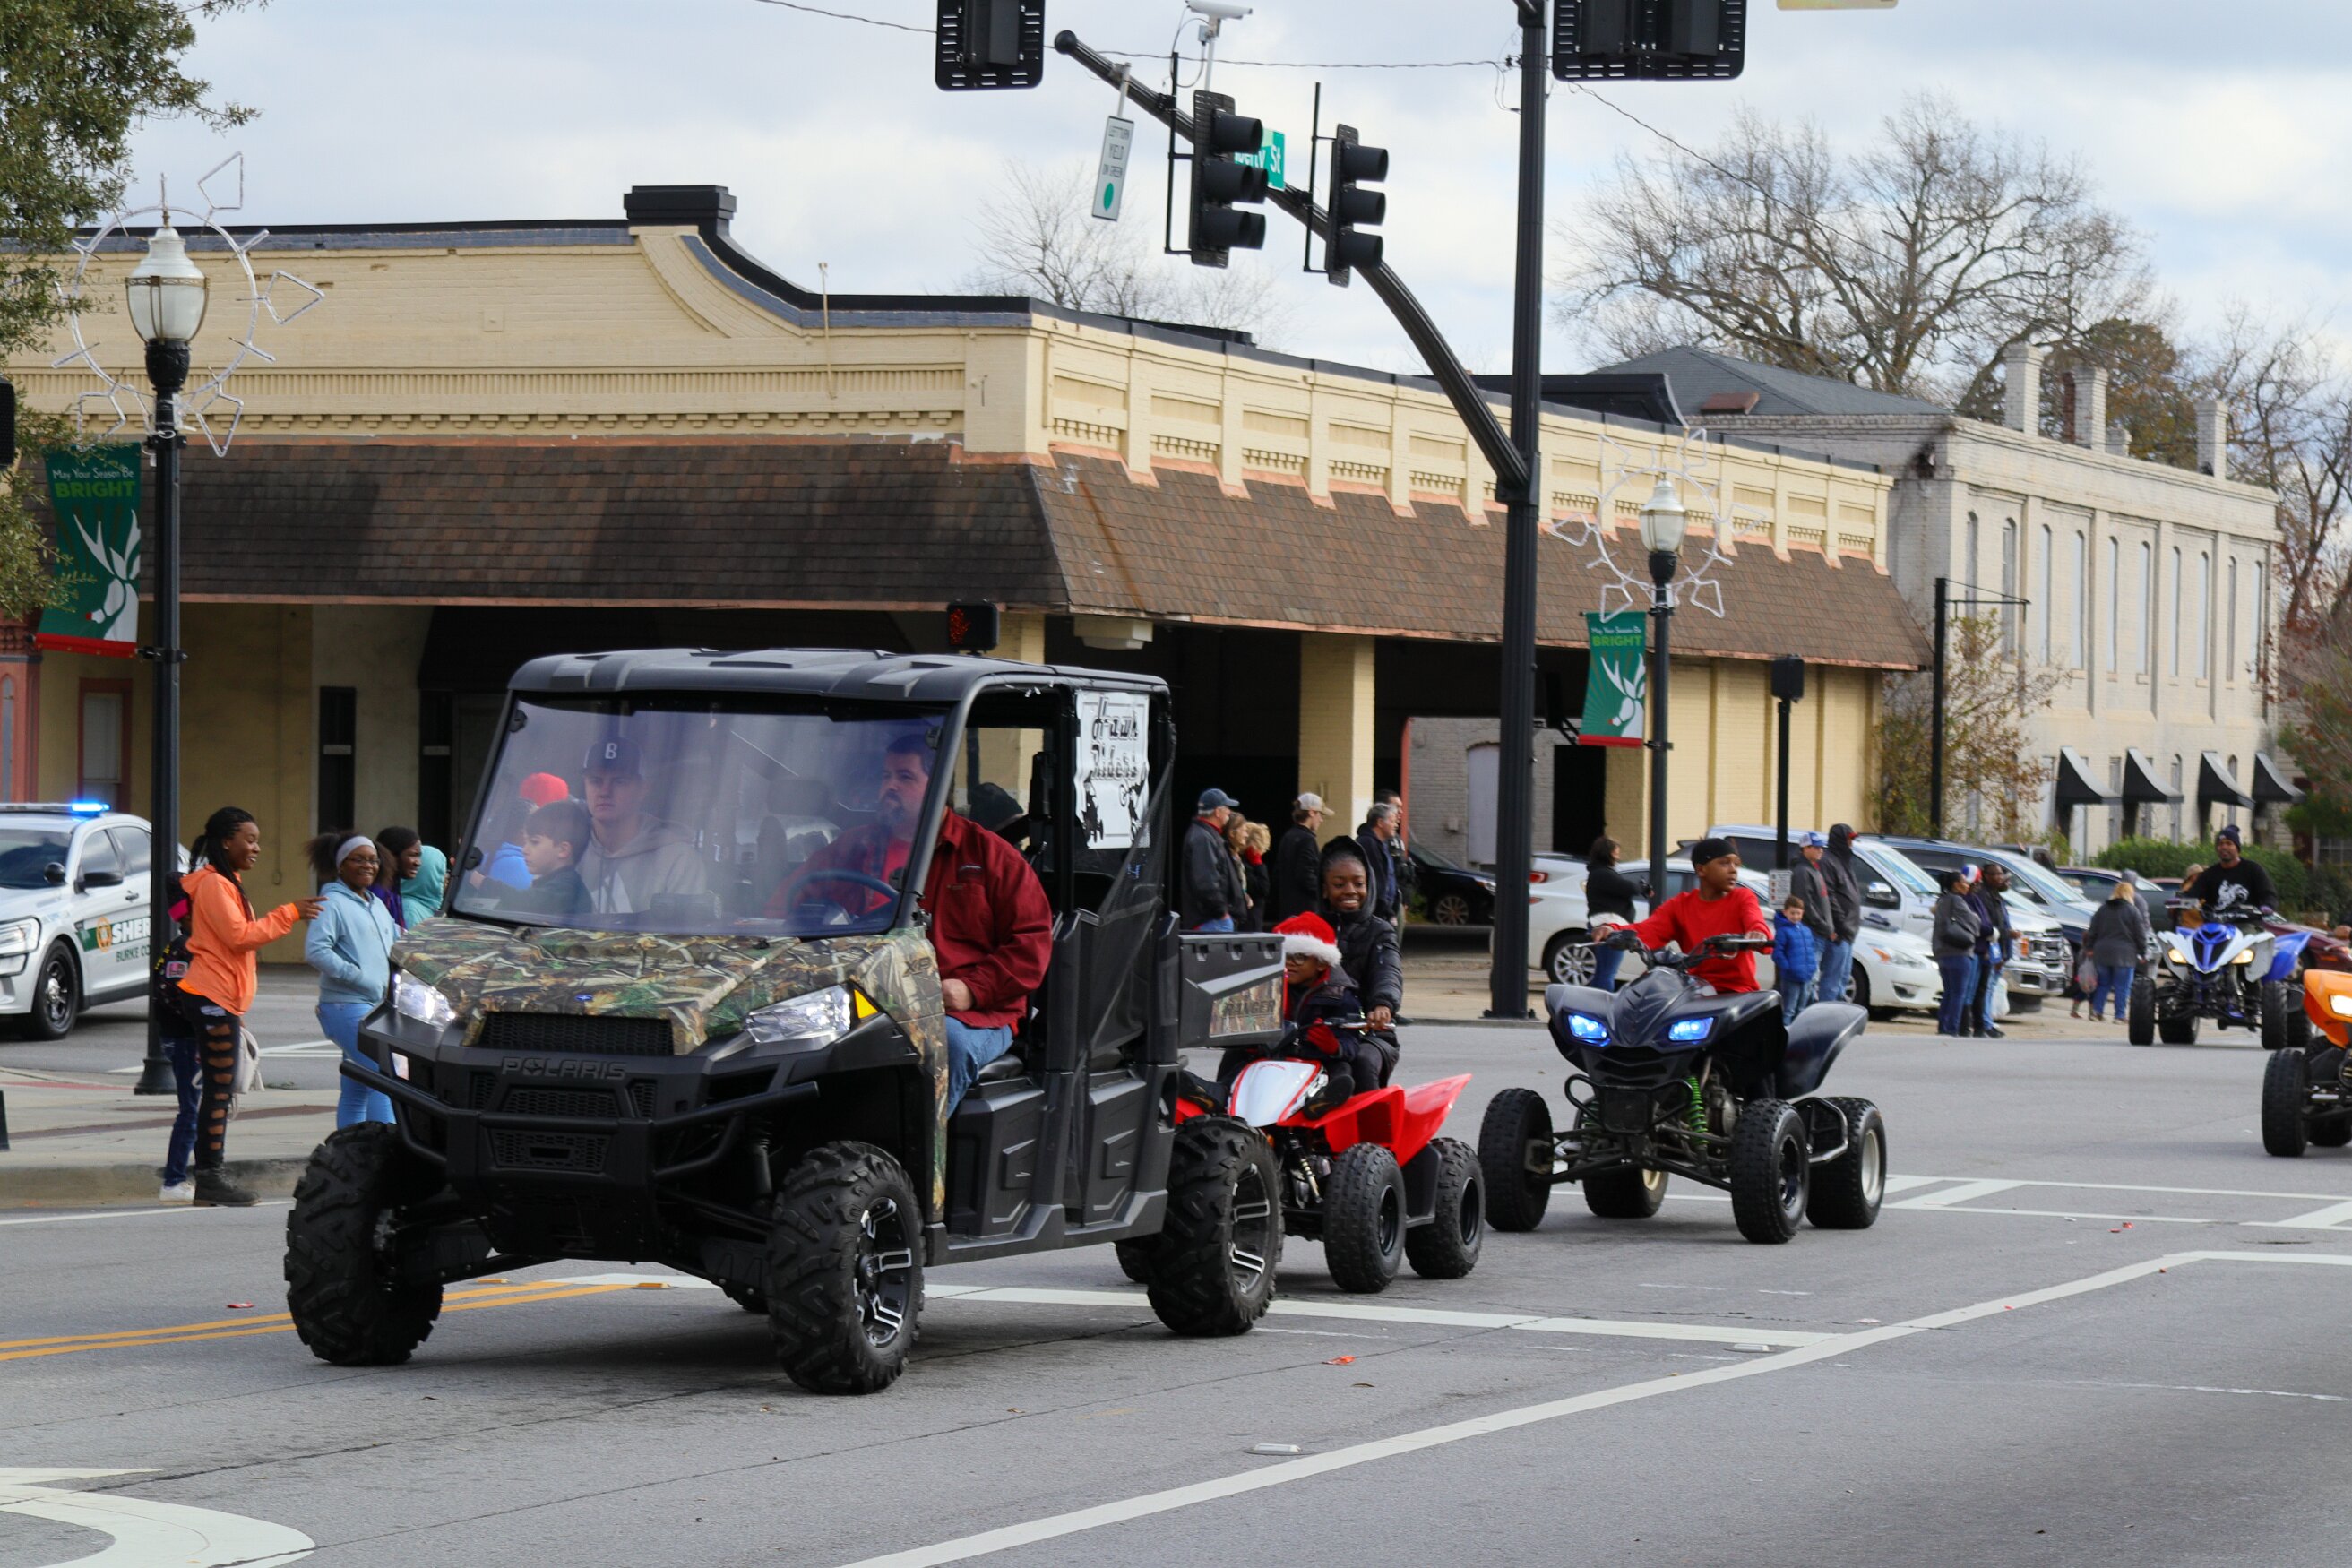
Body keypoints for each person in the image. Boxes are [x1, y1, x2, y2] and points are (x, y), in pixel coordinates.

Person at [774, 732, 1051, 1112]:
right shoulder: (854, 848)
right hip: (865, 1004)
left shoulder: (991, 856)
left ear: (938, 786)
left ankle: (923, 1150)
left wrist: (972, 989)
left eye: (904, 777)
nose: (890, 786)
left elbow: (1031, 944)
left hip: (966, 1014)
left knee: (944, 1046)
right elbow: (785, 902)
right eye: (886, 776)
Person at [168, 806, 323, 1206]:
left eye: (257, 841)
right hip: (211, 996)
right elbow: (240, 937)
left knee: (221, 1089)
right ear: (226, 842)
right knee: (219, 1090)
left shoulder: (225, 882)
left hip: (220, 997)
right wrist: (289, 912)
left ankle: (210, 1178)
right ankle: (210, 1178)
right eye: (249, 840)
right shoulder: (215, 885)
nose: (256, 848)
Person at [305, 832, 401, 1128]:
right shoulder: (331, 902)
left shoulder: (376, 904)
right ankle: (383, 1148)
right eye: (358, 859)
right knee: (384, 1077)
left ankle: (348, 1149)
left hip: (375, 1008)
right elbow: (316, 950)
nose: (368, 866)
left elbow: (397, 944)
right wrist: (360, 977)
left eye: (373, 860)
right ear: (340, 865)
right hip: (346, 1006)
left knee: (357, 1086)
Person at [1596, 838, 1770, 995]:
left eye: (1736, 864)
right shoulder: (1680, 905)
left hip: (1736, 991)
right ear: (1701, 870)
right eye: (1724, 863)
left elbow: (1754, 920)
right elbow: (1648, 930)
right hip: (1695, 990)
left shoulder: (1742, 897)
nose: (1733, 870)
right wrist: (1612, 929)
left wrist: (1758, 934)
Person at [576, 736, 709, 916]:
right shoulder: (567, 846)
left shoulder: (678, 859)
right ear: (585, 785)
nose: (605, 792)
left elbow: (683, 930)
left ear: (643, 789)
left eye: (619, 781)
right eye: (595, 781)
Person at [1266, 912, 1383, 1115]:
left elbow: (1351, 1043)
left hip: (1319, 1061)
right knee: (1237, 1057)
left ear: (1321, 963)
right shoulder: (1268, 989)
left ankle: (1323, 1100)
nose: (1289, 963)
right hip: (1276, 1058)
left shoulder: (1341, 995)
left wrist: (1334, 1046)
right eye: (1284, 956)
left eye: (1299, 957)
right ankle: (1220, 1094)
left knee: (1344, 1070)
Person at [1318, 840, 1404, 1085]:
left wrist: (1382, 1004)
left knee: (1363, 1063)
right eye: (1339, 884)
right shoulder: (1309, 927)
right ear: (1325, 889)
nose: (1350, 891)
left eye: (1358, 884)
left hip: (1367, 1030)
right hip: (1313, 1029)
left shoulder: (1380, 931)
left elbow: (1388, 971)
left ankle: (1371, 1112)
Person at [2084, 877, 2151, 1023]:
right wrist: (2143, 952)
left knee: (2103, 984)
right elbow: (2140, 934)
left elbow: (2093, 930)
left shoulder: (2103, 909)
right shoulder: (2133, 911)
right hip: (2125, 955)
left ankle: (2097, 1012)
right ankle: (2119, 1016)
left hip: (2102, 952)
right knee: (2122, 987)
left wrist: (2089, 947)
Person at [1179, 788, 1247, 932]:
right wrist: (1222, 913)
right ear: (1217, 812)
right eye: (1226, 808)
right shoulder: (1203, 838)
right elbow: (1206, 882)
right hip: (1213, 921)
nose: (1229, 812)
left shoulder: (1206, 835)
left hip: (1214, 919)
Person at [1581, 836, 1642, 991]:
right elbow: (1629, 888)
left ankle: (1593, 1001)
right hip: (1609, 928)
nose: (1618, 856)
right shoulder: (1603, 874)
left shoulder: (1597, 873)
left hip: (1602, 925)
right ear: (1607, 853)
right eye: (1616, 852)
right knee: (1608, 973)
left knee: (1602, 972)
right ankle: (1605, 1002)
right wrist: (1641, 888)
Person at [516, 798, 590, 918]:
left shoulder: (568, 886)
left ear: (563, 850)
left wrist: (490, 886)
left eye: (534, 842)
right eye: (525, 842)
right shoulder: (552, 881)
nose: (524, 850)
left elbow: (535, 904)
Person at [1933, 869, 1984, 1038]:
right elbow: (1974, 923)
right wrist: (1975, 917)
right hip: (1959, 951)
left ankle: (1943, 1026)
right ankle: (1952, 1028)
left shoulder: (1942, 900)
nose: (1967, 885)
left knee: (1948, 992)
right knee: (1958, 993)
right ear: (1956, 885)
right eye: (1964, 882)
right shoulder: (1957, 900)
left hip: (1942, 952)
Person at [2184, 825, 2277, 918]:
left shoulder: (2253, 869)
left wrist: (2268, 905)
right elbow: (2192, 894)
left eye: (2229, 843)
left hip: (2247, 923)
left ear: (2237, 848)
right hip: (2216, 923)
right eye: (2220, 844)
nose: (2224, 847)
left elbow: (2268, 894)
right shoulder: (2209, 874)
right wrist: (2181, 900)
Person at [1818, 824, 1865, 1004]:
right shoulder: (1827, 862)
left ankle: (1836, 1014)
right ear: (1841, 840)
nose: (1852, 843)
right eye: (1849, 839)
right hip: (1838, 933)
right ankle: (1826, 1017)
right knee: (1832, 982)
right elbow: (1828, 896)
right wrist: (1841, 923)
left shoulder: (1844, 861)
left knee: (1842, 981)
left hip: (1848, 934)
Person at [1972, 863, 2016, 1038]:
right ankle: (1984, 1023)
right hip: (1991, 948)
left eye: (2001, 875)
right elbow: (1990, 926)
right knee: (1987, 988)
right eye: (1996, 875)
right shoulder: (1983, 896)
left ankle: (1987, 1021)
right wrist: (2007, 934)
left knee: (1990, 987)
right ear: (1986, 876)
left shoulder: (1995, 895)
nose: (2001, 878)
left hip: (2000, 949)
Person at [1270, 793, 1327, 924]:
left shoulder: (1287, 837)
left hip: (1287, 911)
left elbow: (1277, 874)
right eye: (1320, 814)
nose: (1321, 820)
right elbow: (1306, 876)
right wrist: (1324, 891)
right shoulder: (1308, 840)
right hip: (1305, 911)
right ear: (1311, 812)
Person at [1788, 831, 1838, 966]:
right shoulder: (1802, 871)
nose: (1821, 850)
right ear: (1805, 848)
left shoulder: (1812, 869)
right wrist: (1825, 927)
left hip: (1819, 932)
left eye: (1821, 847)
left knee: (1815, 973)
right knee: (1810, 973)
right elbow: (1806, 905)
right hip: (1812, 933)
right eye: (1816, 847)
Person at [1772, 895, 1821, 1024]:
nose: (1795, 916)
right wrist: (1787, 968)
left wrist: (1812, 967)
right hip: (1791, 977)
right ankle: (1786, 1030)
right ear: (1785, 912)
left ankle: (1798, 1032)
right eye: (1792, 913)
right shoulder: (1783, 931)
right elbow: (1777, 953)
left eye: (1798, 913)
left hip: (1806, 976)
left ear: (1802, 913)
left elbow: (1811, 951)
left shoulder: (1806, 931)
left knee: (1801, 1009)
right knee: (1789, 1009)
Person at [1356, 801, 1404, 925]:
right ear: (1380, 823)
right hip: (1376, 913)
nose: (1396, 825)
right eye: (1392, 821)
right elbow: (1376, 880)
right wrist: (1385, 910)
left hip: (1385, 910)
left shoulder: (1382, 844)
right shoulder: (1368, 844)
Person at [372, 826, 422, 931]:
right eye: (413, 855)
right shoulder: (378, 892)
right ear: (393, 855)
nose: (418, 862)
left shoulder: (392, 888)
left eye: (419, 856)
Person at [1376, 788, 1416, 910]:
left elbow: (1403, 871)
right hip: (1386, 905)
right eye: (1396, 807)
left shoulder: (1396, 839)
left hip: (1398, 902)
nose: (1400, 812)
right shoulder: (1377, 841)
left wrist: (1405, 898)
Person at [1230, 818, 1271, 933]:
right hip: (1248, 920)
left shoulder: (1243, 862)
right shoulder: (1244, 864)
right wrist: (1258, 864)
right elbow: (1263, 888)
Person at [401, 840, 450, 923]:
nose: (447, 877)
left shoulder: (426, 907)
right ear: (431, 875)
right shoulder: (410, 911)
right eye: (442, 872)